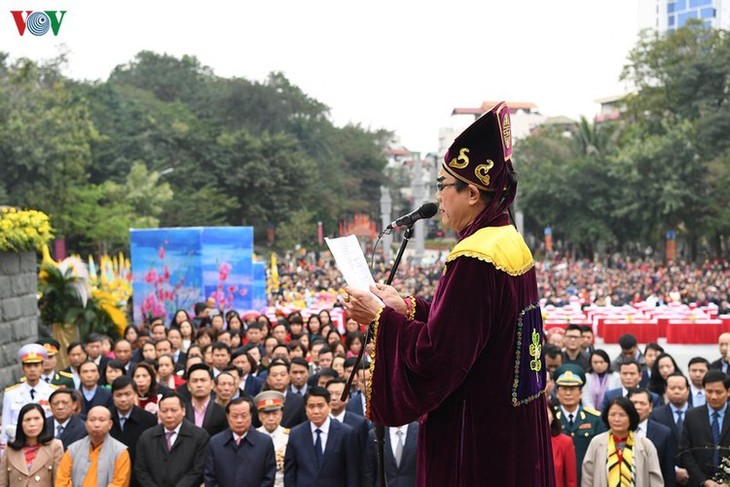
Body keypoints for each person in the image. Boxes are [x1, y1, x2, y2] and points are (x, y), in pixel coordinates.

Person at [344, 102, 553, 486]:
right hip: (510, 427)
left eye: (442, 187)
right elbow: (477, 327)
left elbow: (439, 357)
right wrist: (406, 308)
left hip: (476, 437)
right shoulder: (507, 242)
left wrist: (378, 317)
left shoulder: (474, 256)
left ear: (472, 192)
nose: (438, 199)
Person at [283, 387, 360, 486]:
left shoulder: (346, 433)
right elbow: (290, 473)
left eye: (320, 406)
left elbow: (353, 473)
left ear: (329, 406)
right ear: (305, 409)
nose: (316, 411)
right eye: (311, 406)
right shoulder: (296, 434)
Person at [582, 396, 663, 486]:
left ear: (631, 417)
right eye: (612, 415)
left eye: (622, 415)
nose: (616, 419)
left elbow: (655, 479)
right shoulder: (597, 443)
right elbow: (588, 477)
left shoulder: (645, 445)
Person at [134, 391, 210, 487]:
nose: (169, 415)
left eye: (173, 410)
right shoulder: (146, 437)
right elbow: (141, 470)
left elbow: (198, 470)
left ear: (183, 411)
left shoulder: (199, 436)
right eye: (164, 411)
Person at [204, 397, 276, 487]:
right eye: (234, 416)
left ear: (251, 416)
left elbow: (269, 477)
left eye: (244, 416)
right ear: (227, 417)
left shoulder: (264, 442)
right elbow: (210, 477)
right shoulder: (215, 443)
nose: (239, 420)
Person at [55, 405, 132, 487]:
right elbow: (61, 480)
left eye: (102, 420)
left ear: (110, 424)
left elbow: (120, 483)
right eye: (92, 420)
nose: (96, 424)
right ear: (86, 424)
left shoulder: (120, 451)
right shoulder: (73, 449)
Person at [553, 366, 604, 484]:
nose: (568, 393)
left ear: (580, 392)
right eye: (564, 389)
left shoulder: (594, 419)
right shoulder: (550, 418)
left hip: (586, 478)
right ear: (557, 392)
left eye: (572, 389)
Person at [678, 369, 730, 486]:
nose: (713, 396)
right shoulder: (692, 415)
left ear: (728, 392)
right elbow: (685, 451)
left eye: (718, 392)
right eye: (709, 391)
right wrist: (703, 481)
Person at [2, 344, 58, 450]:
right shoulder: (11, 394)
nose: (32, 370)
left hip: (44, 445)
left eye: (36, 365)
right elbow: (6, 425)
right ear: (23, 369)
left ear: (42, 367)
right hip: (17, 445)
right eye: (28, 366)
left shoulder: (53, 392)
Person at [0, 403, 64, 487]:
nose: (32, 424)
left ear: (44, 421)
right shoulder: (10, 448)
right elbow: (2, 482)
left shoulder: (55, 446)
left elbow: (59, 482)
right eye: (27, 419)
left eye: (37, 418)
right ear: (20, 424)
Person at [109, 376, 157, 481]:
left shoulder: (149, 420)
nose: (123, 399)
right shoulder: (105, 419)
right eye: (119, 395)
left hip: (139, 479)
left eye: (127, 394)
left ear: (135, 394)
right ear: (112, 396)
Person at [628, 388, 677, 487]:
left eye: (642, 403)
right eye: (634, 403)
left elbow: (668, 472)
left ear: (650, 407)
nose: (638, 407)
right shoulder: (618, 431)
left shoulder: (664, 433)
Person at [255, 391, 289, 487]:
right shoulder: (252, 437)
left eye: (275, 413)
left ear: (281, 414)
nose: (271, 418)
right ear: (259, 416)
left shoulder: (290, 437)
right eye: (266, 413)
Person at [184, 363, 227, 437]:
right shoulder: (182, 411)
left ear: (212, 384)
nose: (199, 385)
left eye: (203, 380)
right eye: (194, 381)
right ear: (188, 386)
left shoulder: (222, 412)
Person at [546, 403, 577, 487]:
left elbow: (571, 481)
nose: (543, 416)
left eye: (546, 413)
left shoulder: (565, 442)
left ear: (553, 416)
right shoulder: (525, 442)